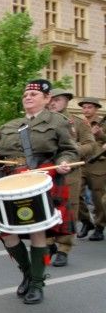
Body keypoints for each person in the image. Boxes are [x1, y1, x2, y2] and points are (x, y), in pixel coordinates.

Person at [0, 79, 77, 305]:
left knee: (38, 233)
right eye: (26, 94)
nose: (28, 97)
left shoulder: (58, 121)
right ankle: (28, 273)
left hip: (42, 181)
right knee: (7, 233)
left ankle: (36, 283)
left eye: (34, 94)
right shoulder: (9, 125)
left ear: (47, 99)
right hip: (12, 183)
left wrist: (65, 161)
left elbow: (68, 150)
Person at [46, 89, 96, 266]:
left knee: (68, 209)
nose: (52, 103)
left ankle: (63, 248)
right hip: (47, 172)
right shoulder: (42, 121)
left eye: (57, 100)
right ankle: (48, 243)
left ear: (66, 101)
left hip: (69, 172)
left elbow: (91, 145)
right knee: (47, 208)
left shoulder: (77, 123)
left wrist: (73, 151)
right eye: (50, 99)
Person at [77, 97, 105, 240]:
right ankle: (86, 221)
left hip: (98, 163)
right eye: (84, 107)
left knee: (98, 197)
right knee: (74, 193)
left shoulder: (103, 123)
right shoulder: (79, 124)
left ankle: (99, 226)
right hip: (81, 162)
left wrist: (100, 134)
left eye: (89, 107)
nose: (86, 110)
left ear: (96, 109)